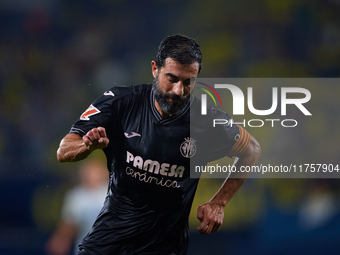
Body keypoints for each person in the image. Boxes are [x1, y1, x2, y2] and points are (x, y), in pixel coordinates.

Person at [57, 34, 261, 255]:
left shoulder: (208, 122)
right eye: (171, 79)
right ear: (155, 69)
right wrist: (86, 147)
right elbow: (64, 150)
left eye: (188, 82)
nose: (178, 91)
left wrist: (219, 203)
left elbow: (252, 150)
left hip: (164, 248)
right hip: (108, 243)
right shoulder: (120, 102)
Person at [46, 159, 109, 255]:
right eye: (87, 171)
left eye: (93, 171)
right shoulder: (76, 196)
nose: (90, 175)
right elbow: (69, 223)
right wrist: (61, 239)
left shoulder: (113, 192)